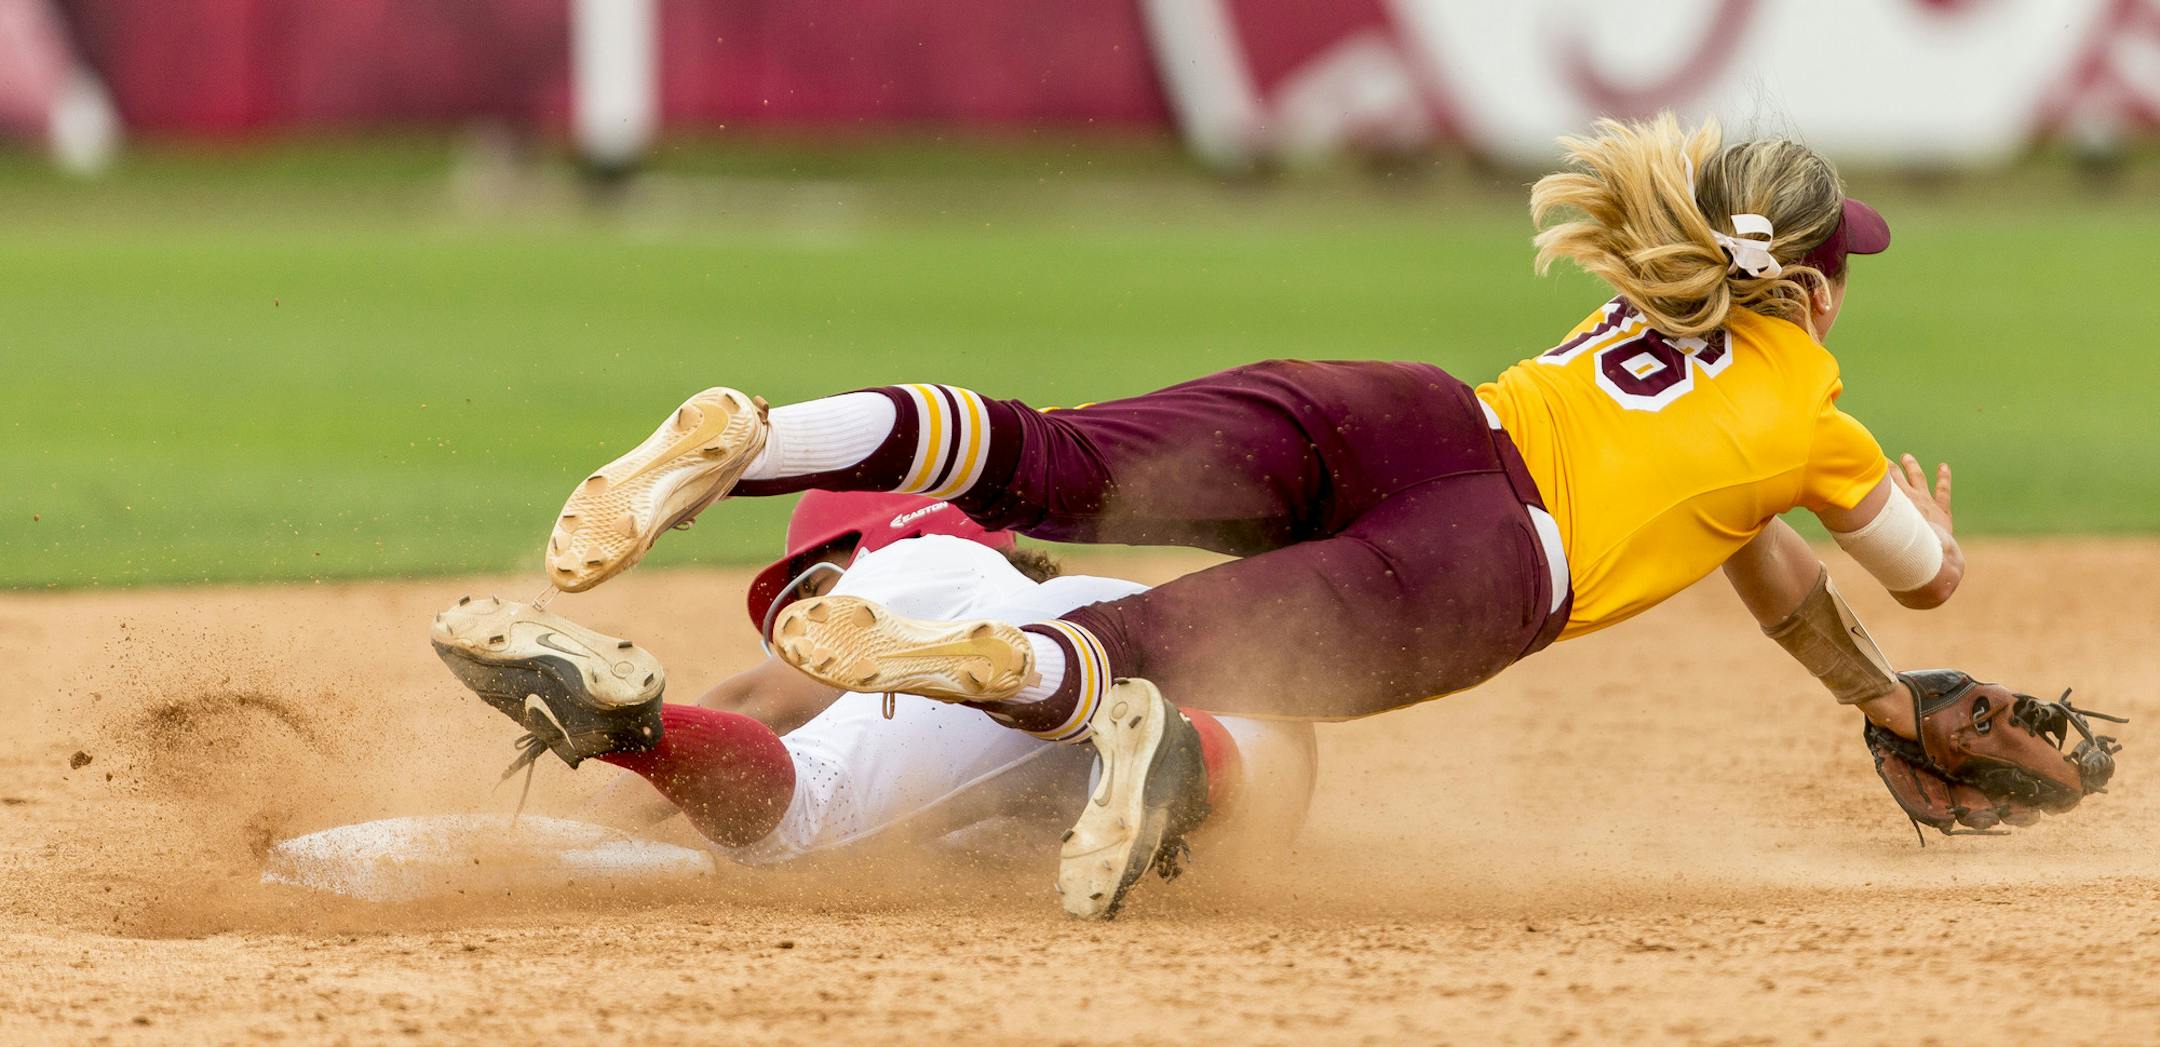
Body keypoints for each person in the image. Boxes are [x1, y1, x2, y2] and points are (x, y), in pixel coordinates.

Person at [533, 114, 1977, 918]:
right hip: (1483, 563)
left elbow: (1741, 534)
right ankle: (952, 657)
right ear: (1813, 284)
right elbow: (1912, 581)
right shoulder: (1817, 417)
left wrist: (1852, 664)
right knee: (1152, 644)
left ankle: (766, 437)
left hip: (1415, 417)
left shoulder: (1644, 299)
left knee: (1052, 450)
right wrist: (1924, 549)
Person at [435, 491, 1316, 910]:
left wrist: (593, 817)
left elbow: (759, 697)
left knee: (812, 813)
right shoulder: (1031, 572)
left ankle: (629, 724)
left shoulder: (898, 573)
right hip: (1156, 646)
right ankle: (1188, 747)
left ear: (832, 564)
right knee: (1255, 761)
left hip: (995, 658)